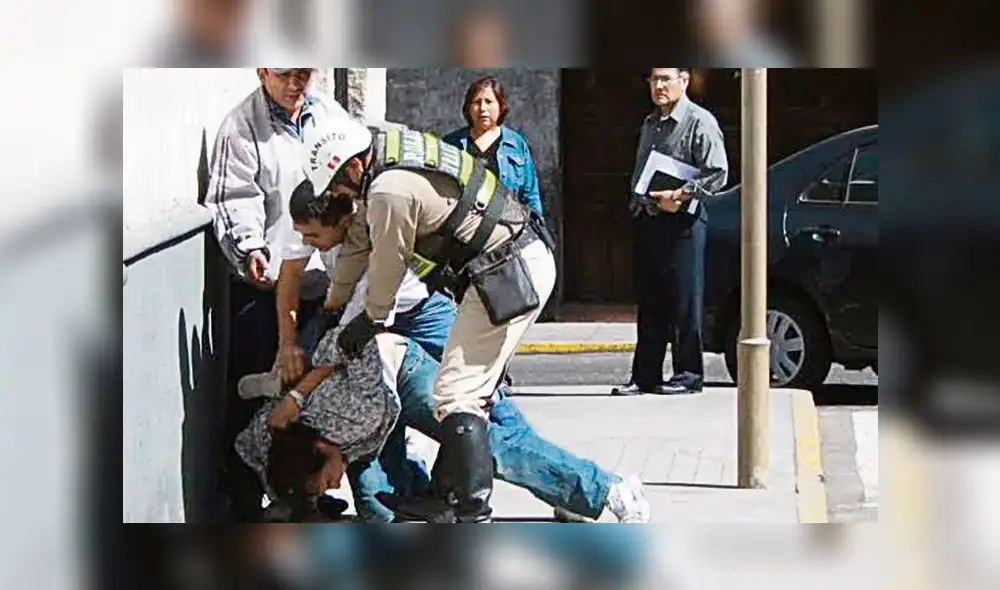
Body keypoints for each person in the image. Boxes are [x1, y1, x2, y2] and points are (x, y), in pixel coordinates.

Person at [301, 118, 558, 523]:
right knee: (451, 392)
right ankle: (446, 495)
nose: (337, 195)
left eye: (336, 185)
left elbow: (388, 262)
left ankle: (470, 513)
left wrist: (368, 321)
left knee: (459, 396)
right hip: (502, 265)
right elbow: (358, 246)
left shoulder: (387, 190)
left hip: (509, 270)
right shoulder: (385, 155)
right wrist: (335, 306)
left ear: (351, 167)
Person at [202, 67, 349, 521]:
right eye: (285, 75)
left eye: (304, 74)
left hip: (320, 282)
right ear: (263, 71)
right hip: (262, 284)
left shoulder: (328, 114)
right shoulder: (242, 126)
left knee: (308, 401)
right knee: (254, 392)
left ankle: (304, 492)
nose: (295, 85)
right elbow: (232, 198)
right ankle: (244, 496)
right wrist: (250, 249)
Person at [612, 68, 729, 396]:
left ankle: (688, 374)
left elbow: (718, 172)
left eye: (666, 79)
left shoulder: (698, 121)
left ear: (684, 81)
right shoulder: (650, 123)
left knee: (684, 302)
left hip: (684, 223)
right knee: (650, 303)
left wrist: (680, 196)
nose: (659, 86)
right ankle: (645, 375)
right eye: (653, 80)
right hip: (649, 221)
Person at [442, 75, 545, 219]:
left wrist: (537, 226)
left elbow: (530, 194)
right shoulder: (452, 144)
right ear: (468, 108)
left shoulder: (516, 144)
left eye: (489, 102)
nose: (483, 108)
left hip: (507, 227)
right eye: (477, 102)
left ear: (500, 106)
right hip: (462, 226)